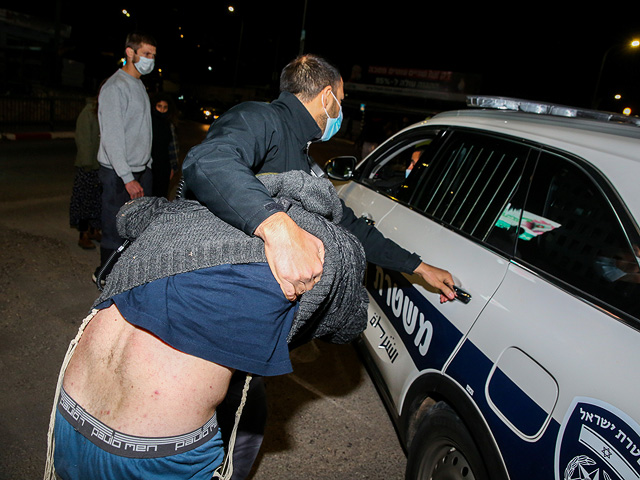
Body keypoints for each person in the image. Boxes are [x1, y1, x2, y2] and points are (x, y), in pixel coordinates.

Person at [181, 54, 457, 479]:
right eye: (341, 100)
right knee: (209, 426)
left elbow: (348, 224)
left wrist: (418, 266)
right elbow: (208, 162)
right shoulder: (261, 119)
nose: (340, 112)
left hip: (252, 320)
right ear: (327, 96)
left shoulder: (306, 159)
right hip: (215, 309)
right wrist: (276, 226)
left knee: (244, 423)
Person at [45, 170, 368, 480]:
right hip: (152, 452)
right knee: (246, 413)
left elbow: (129, 214)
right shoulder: (321, 248)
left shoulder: (187, 211)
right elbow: (349, 323)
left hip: (70, 411)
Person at [93, 32, 156, 284]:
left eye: (153, 55)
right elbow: (113, 138)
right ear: (130, 52)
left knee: (136, 227)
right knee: (115, 227)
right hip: (118, 174)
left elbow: (141, 129)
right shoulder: (115, 87)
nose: (151, 60)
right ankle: (105, 277)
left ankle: (125, 276)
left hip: (140, 169)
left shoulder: (139, 85)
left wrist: (147, 164)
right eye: (146, 54)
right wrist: (128, 178)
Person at [69, 96, 102, 249]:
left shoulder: (103, 110)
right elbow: (83, 140)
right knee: (84, 201)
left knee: (97, 200)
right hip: (88, 166)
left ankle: (94, 230)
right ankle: (83, 234)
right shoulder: (88, 112)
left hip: (100, 165)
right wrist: (88, 164)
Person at [150, 92, 180, 198]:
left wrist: (173, 167)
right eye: (159, 106)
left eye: (165, 107)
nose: (162, 110)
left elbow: (173, 147)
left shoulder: (169, 124)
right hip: (149, 165)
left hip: (164, 166)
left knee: (161, 195)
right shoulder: (148, 122)